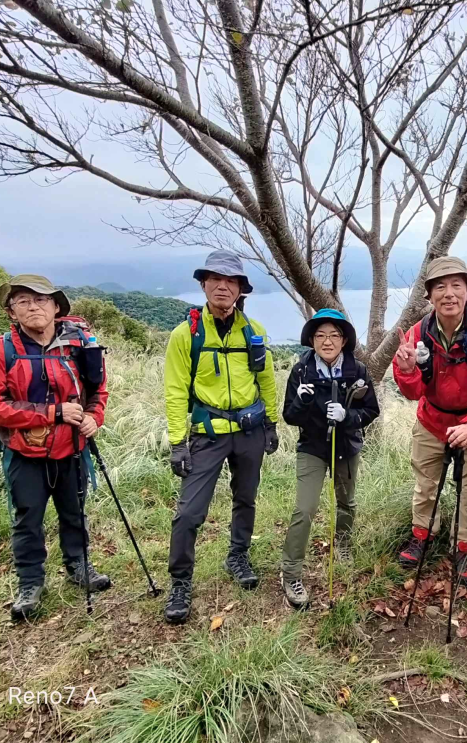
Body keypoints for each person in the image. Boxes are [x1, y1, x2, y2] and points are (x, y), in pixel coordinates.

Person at [0, 275, 111, 622]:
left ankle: (78, 566)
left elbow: (97, 390)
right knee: (27, 518)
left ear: (55, 307)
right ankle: (31, 583)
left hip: (73, 448)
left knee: (74, 511)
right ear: (12, 311)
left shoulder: (79, 345)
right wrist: (54, 413)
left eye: (41, 300)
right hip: (24, 452)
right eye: (23, 301)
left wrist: (95, 417)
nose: (33, 306)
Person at [163, 250, 279, 624]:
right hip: (207, 434)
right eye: (216, 279)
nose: (223, 286)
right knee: (189, 513)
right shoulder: (187, 335)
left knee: (245, 499)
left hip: (249, 431)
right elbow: (176, 389)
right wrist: (179, 442)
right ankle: (180, 582)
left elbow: (266, 380)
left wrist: (272, 423)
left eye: (231, 281)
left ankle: (238, 555)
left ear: (241, 290)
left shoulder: (254, 332)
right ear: (203, 284)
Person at [392, 257, 467, 586]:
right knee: (426, 485)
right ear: (429, 296)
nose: (449, 293)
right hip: (432, 420)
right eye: (440, 286)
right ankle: (421, 535)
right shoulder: (418, 333)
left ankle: (464, 546)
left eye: (457, 285)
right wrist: (408, 369)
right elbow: (413, 393)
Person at [279, 309, 380, 607]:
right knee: (304, 509)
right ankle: (291, 572)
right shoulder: (301, 371)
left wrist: (347, 416)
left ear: (344, 340)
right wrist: (302, 400)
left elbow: (371, 410)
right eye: (320, 335)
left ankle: (344, 544)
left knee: (347, 502)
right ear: (311, 339)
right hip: (312, 447)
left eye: (334, 335)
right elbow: (289, 415)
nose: (327, 341)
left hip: (346, 446)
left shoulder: (357, 370)